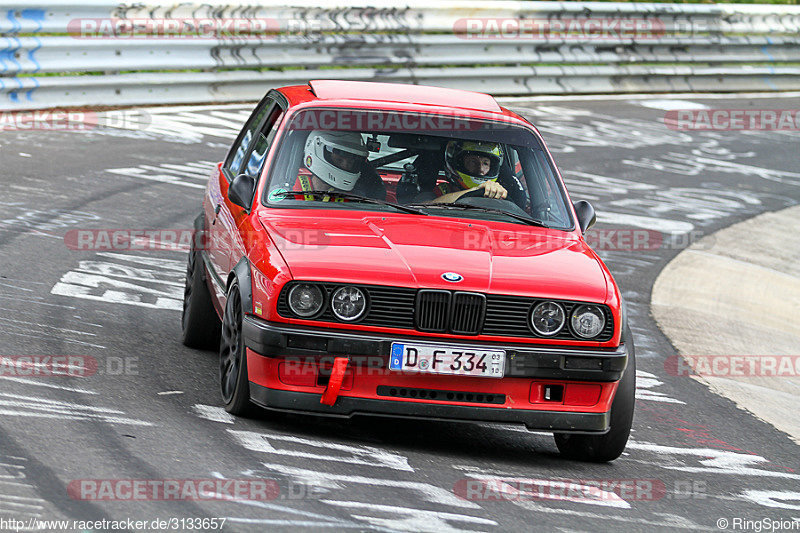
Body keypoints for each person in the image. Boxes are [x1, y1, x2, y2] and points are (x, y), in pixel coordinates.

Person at [293, 130, 370, 201]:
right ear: (317, 151)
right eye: (339, 160)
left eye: (350, 163)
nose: (345, 166)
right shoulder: (290, 190)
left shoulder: (353, 200)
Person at [428, 140, 508, 203]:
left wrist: (498, 194)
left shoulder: (495, 192)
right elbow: (426, 207)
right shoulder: (443, 190)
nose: (480, 169)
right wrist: (475, 190)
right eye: (473, 162)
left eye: (485, 163)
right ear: (459, 163)